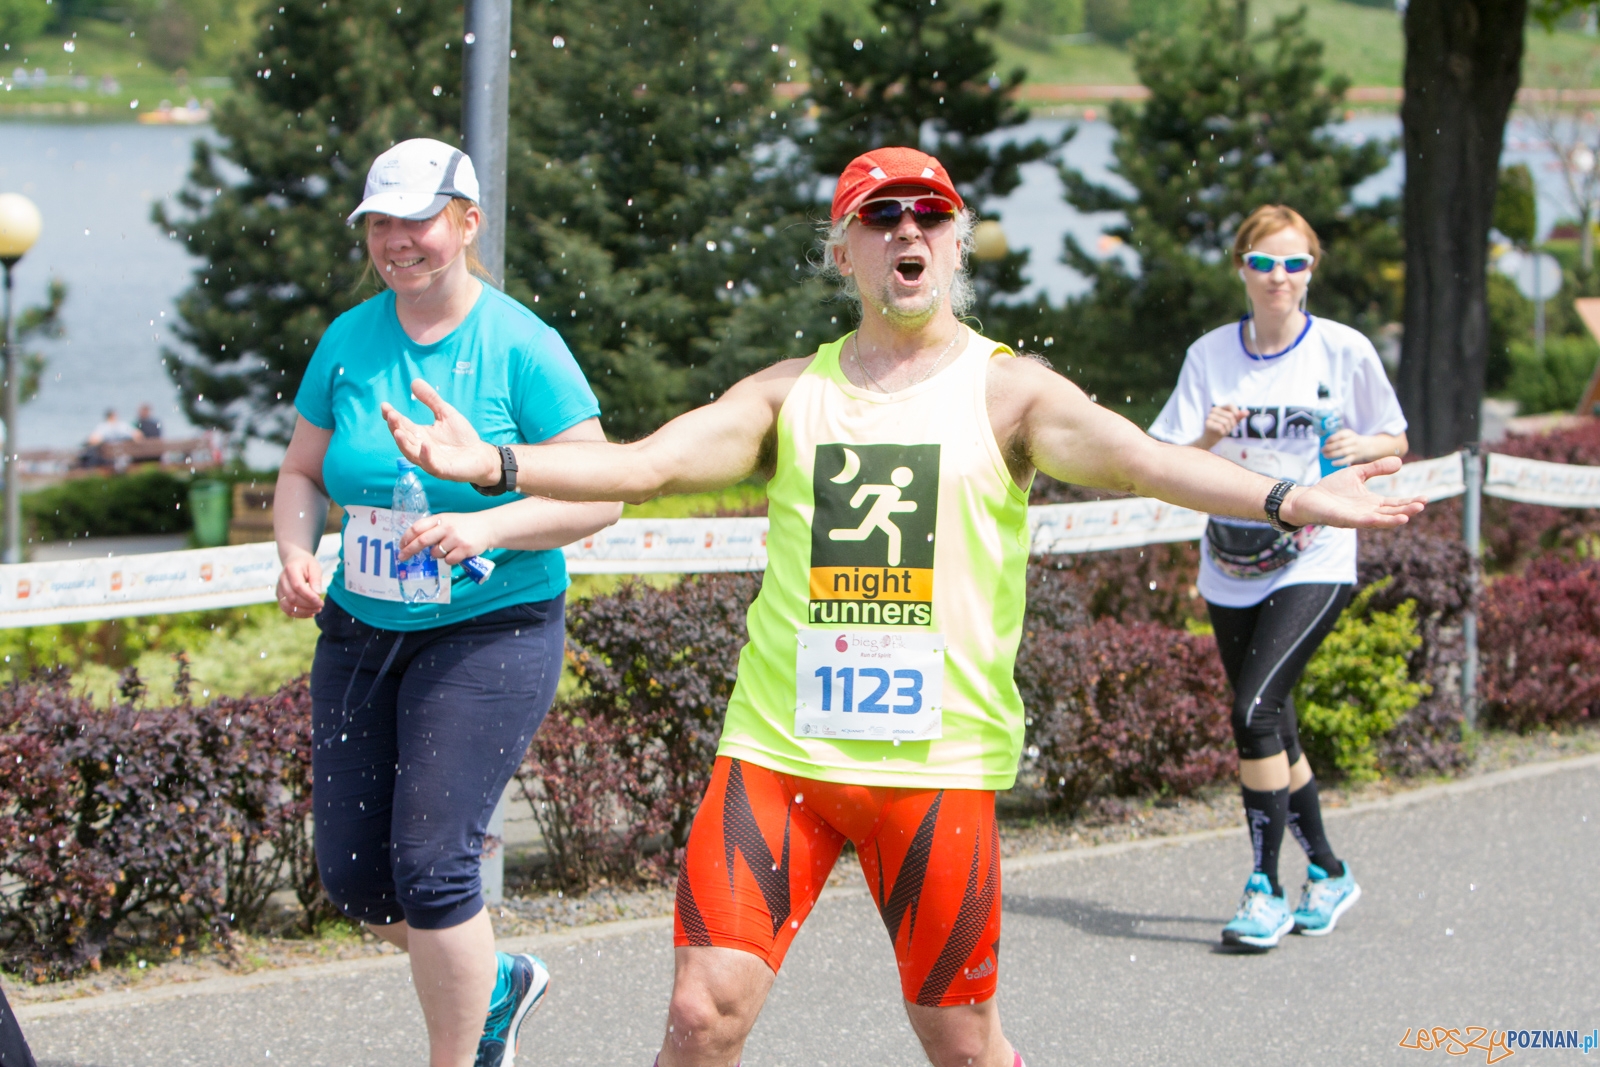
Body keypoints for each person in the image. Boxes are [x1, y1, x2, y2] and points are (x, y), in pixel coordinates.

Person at [382, 148, 1424, 1067]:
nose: (906, 233)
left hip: (933, 766)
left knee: (961, 1044)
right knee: (701, 1016)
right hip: (780, 755)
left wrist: (1290, 495)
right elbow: (645, 464)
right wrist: (496, 465)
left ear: (959, 242)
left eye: (927, 215)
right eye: (881, 218)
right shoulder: (791, 392)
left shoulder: (1011, 395)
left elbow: (1153, 463)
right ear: (845, 252)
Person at [272, 137, 621, 1067]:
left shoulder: (523, 346)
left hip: (490, 629)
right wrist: (296, 548)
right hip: (360, 627)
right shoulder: (348, 339)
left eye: (417, 220)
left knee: (434, 868)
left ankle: (462, 1052)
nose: (398, 241)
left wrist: (490, 527)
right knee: (352, 874)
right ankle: (496, 978)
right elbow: (303, 471)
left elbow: (605, 490)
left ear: (467, 223)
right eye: (380, 223)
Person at [1147, 204, 1409, 951]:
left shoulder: (1343, 349)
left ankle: (1263, 884)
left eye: (1295, 263)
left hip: (1316, 555)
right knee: (1276, 725)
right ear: (1242, 269)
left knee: (1252, 711)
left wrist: (1366, 445)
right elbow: (1165, 458)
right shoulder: (1209, 356)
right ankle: (1327, 870)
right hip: (1230, 561)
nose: (1279, 277)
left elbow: (1395, 437)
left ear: (1312, 269)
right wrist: (1209, 436)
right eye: (1264, 263)